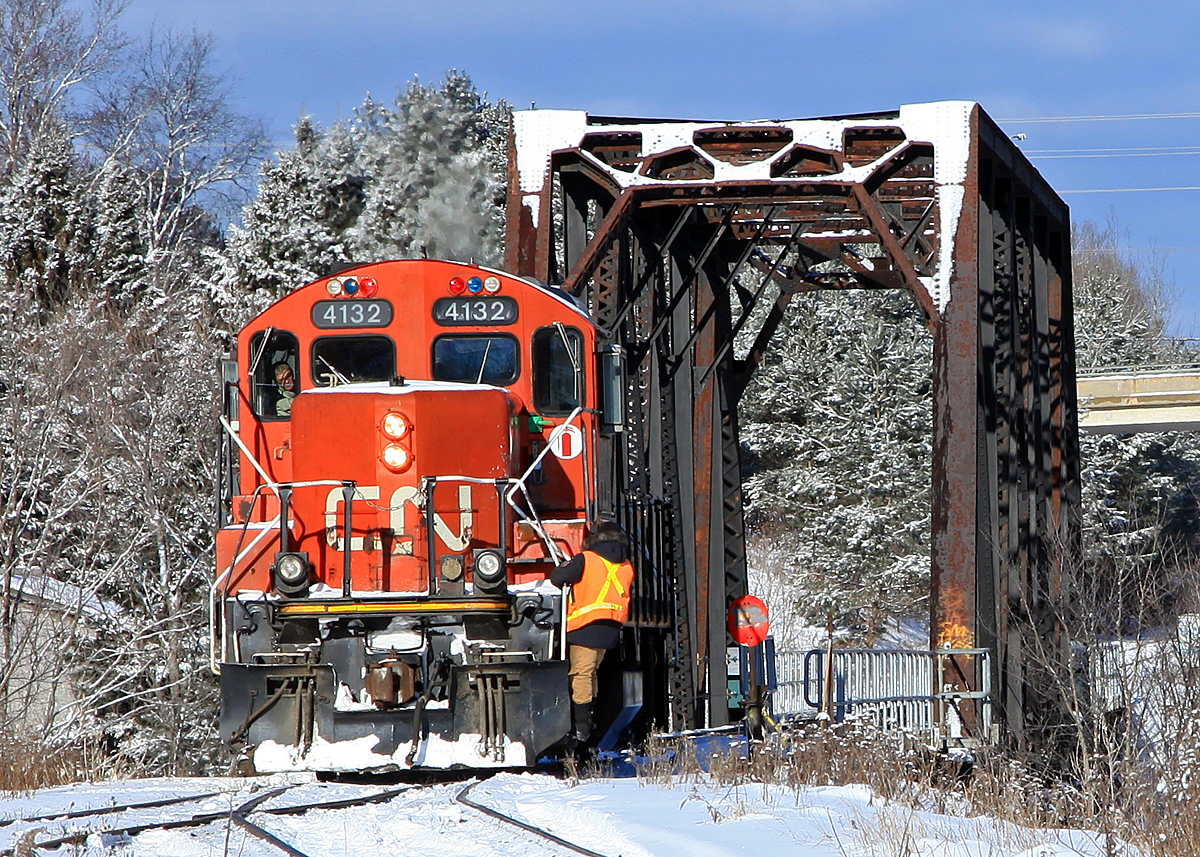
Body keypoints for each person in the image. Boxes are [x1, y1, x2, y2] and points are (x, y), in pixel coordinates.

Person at [550, 521, 635, 745]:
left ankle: (581, 727)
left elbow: (557, 578)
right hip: (610, 627)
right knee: (592, 672)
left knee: (581, 674)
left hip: (584, 624)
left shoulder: (586, 559)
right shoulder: (626, 564)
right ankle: (589, 720)